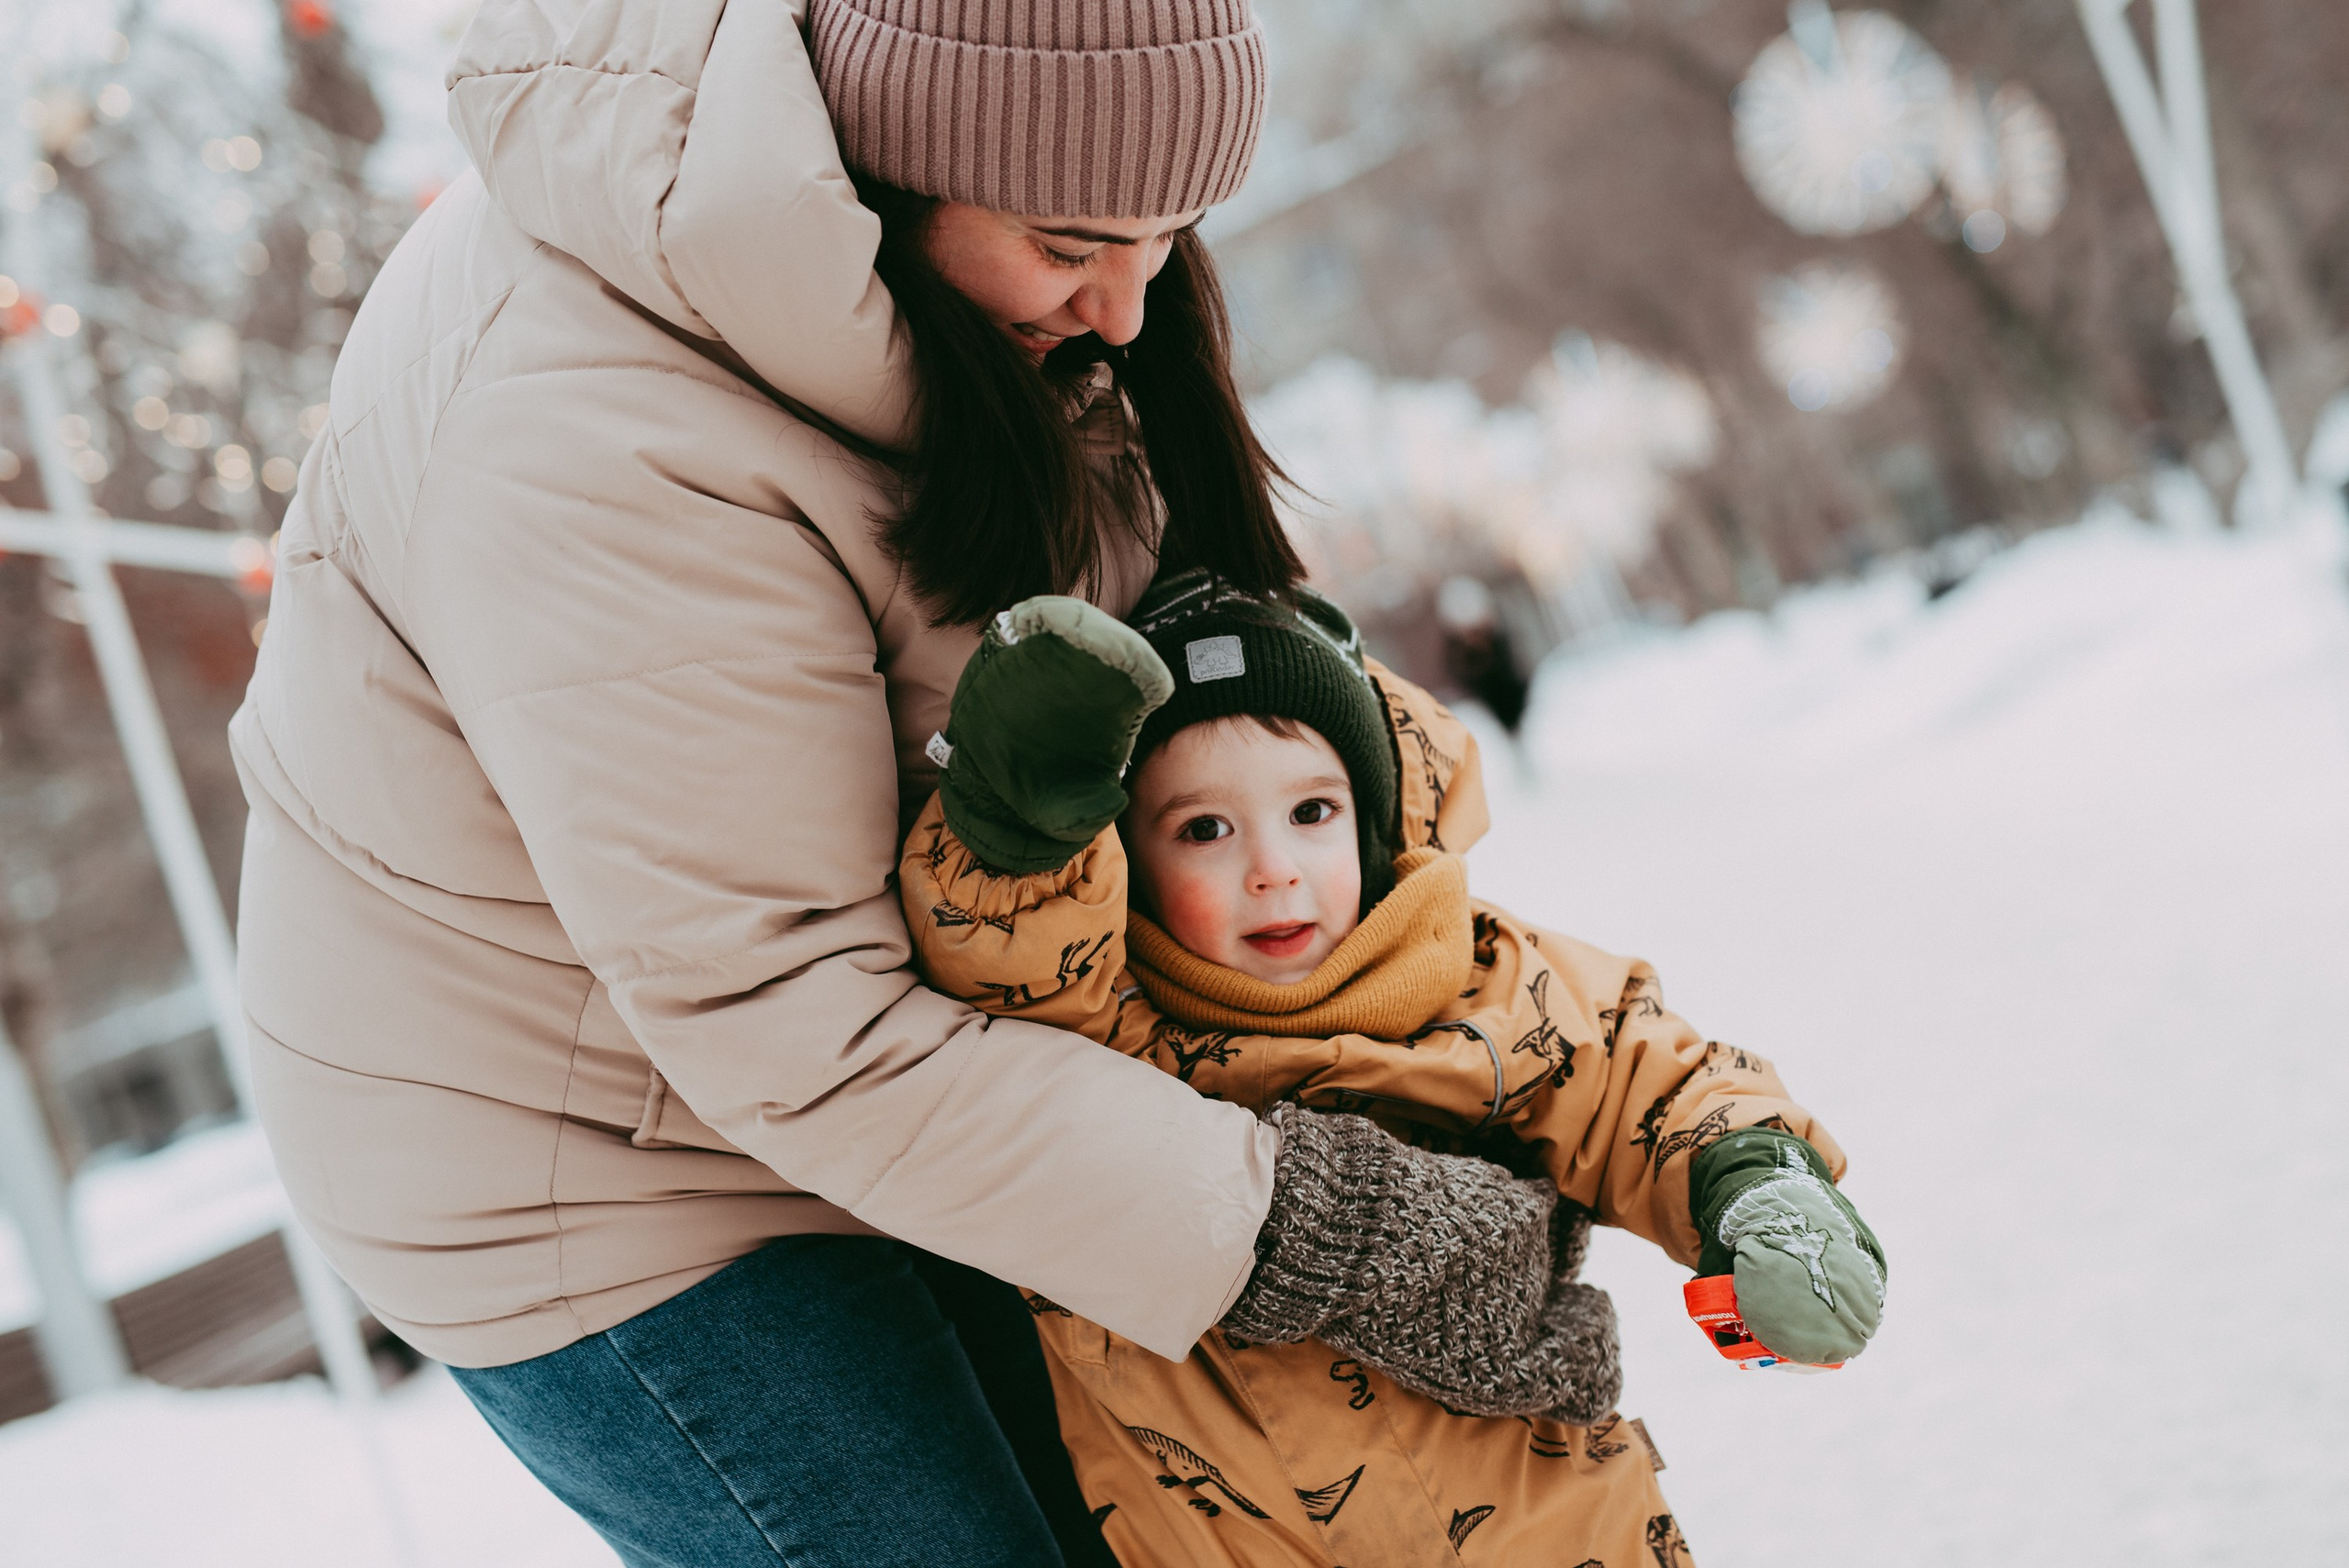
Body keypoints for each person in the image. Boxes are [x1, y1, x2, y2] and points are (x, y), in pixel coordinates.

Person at [230, 2, 1598, 1564]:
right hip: (593, 1168)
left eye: (1168, 238)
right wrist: (1324, 1228)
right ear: (890, 157)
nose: (1129, 308)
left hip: (874, 1046)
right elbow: (791, 1023)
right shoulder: (590, 429)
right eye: (1074, 243)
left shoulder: (961, 289)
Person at [896, 572, 1889, 1565]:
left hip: (1565, 1534)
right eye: (1204, 829)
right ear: (1127, 865)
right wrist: (1017, 824)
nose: (1273, 867)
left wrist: (1755, 1184)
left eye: (1312, 810)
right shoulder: (1105, 1035)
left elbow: (1645, 1075)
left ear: (1370, 819)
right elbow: (1001, 945)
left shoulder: (1469, 981)